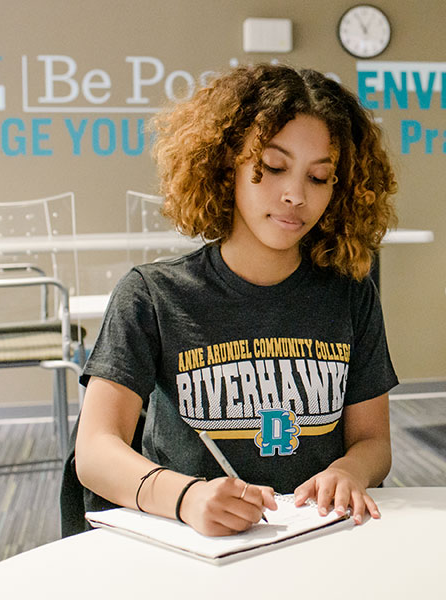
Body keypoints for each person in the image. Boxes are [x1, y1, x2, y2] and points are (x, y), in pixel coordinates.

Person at [71, 63, 398, 536]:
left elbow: (373, 442)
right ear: (227, 166)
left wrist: (351, 471)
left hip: (318, 540)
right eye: (273, 168)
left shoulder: (350, 295)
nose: (294, 195)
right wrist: (185, 497)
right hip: (192, 545)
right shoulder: (152, 295)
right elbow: (96, 450)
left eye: (319, 177)